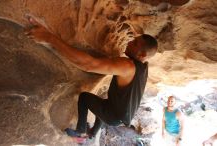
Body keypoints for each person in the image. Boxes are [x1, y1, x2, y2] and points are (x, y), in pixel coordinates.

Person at [25, 17, 158, 142]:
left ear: (142, 54)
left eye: (134, 43)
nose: (129, 42)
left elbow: (89, 65)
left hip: (114, 116)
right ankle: (93, 133)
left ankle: (81, 132)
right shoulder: (144, 66)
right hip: (121, 113)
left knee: (85, 98)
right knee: (103, 105)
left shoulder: (127, 66)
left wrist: (49, 37)